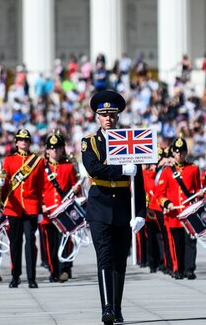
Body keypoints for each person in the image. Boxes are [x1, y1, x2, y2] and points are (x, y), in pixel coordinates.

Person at [81, 89, 146, 325]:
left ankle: (117, 308)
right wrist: (121, 169)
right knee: (105, 257)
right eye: (104, 115)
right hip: (100, 203)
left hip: (122, 206)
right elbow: (93, 168)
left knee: (120, 260)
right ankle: (107, 308)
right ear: (97, 117)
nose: (108, 118)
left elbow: (138, 180)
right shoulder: (89, 142)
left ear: (117, 117)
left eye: (112, 115)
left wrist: (140, 212)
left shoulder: (129, 141)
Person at [0, 128, 45, 288]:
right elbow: (4, 182)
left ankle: (32, 278)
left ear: (29, 142)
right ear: (16, 142)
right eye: (20, 139)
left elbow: (40, 186)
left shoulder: (38, 161)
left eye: (26, 140)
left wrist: (40, 208)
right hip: (14, 207)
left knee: (30, 243)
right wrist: (0, 182)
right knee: (15, 243)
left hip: (31, 207)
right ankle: (15, 276)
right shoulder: (9, 160)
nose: (23, 142)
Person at [156, 136, 201, 279]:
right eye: (176, 151)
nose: (179, 154)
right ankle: (177, 269)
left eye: (181, 151)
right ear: (173, 153)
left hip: (189, 213)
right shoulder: (167, 172)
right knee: (176, 243)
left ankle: (189, 269)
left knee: (190, 242)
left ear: (186, 152)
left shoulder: (194, 169)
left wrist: (200, 195)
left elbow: (197, 189)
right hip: (174, 215)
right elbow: (159, 194)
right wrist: (167, 203)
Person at [40, 130, 79, 282]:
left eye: (58, 148)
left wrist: (76, 189)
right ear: (47, 150)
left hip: (64, 212)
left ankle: (64, 269)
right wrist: (42, 205)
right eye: (52, 148)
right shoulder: (42, 168)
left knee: (65, 242)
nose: (55, 151)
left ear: (62, 149)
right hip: (48, 212)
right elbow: (37, 189)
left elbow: (75, 186)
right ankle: (53, 271)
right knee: (50, 244)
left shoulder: (68, 167)